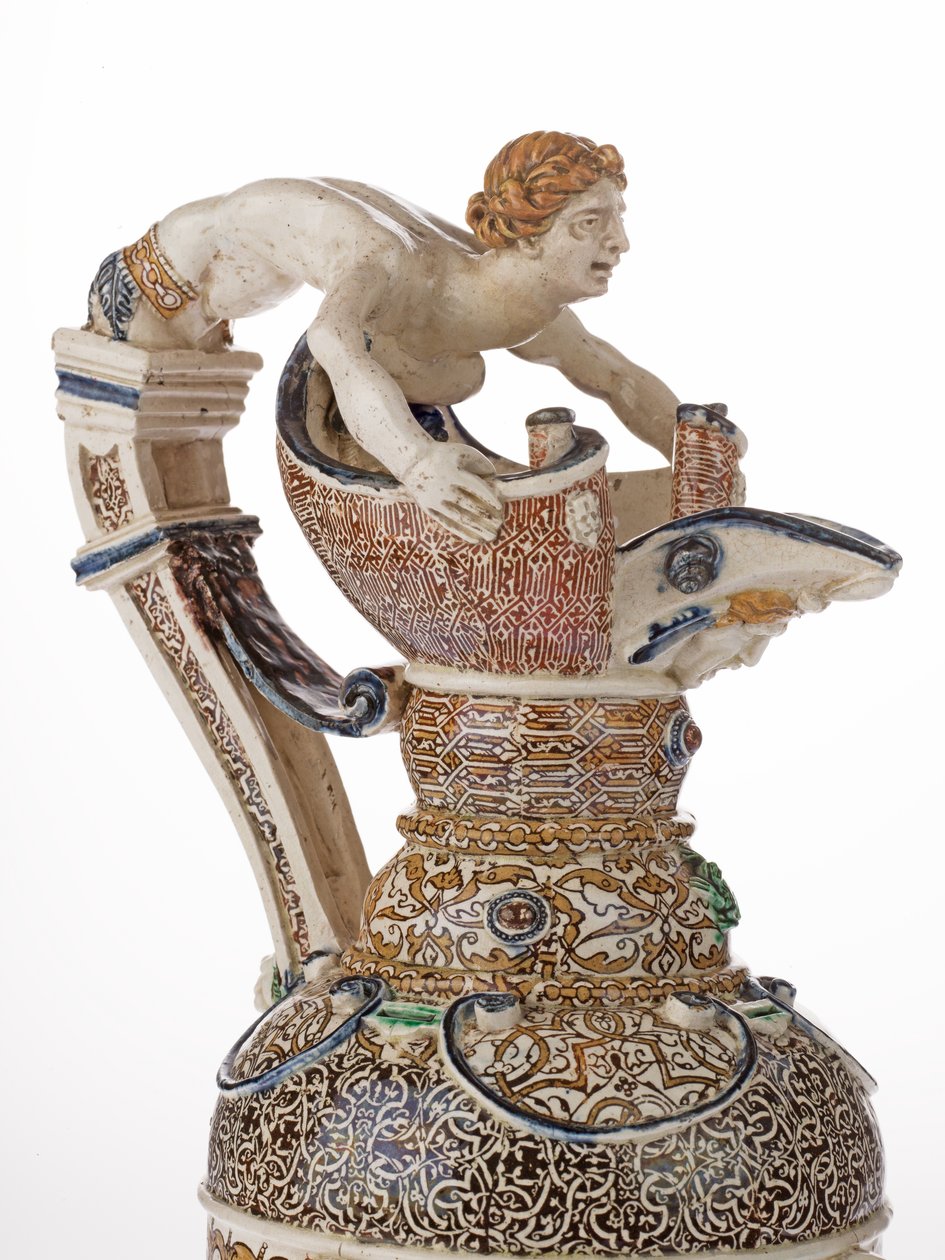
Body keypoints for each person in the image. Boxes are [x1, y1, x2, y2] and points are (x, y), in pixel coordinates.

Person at [87, 131, 679, 542]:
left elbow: (614, 375)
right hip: (151, 293)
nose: (620, 242)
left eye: (617, 218)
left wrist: (694, 449)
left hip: (240, 281)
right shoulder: (396, 268)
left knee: (453, 372)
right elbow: (331, 339)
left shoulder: (527, 309)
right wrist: (416, 463)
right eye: (590, 223)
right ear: (528, 238)